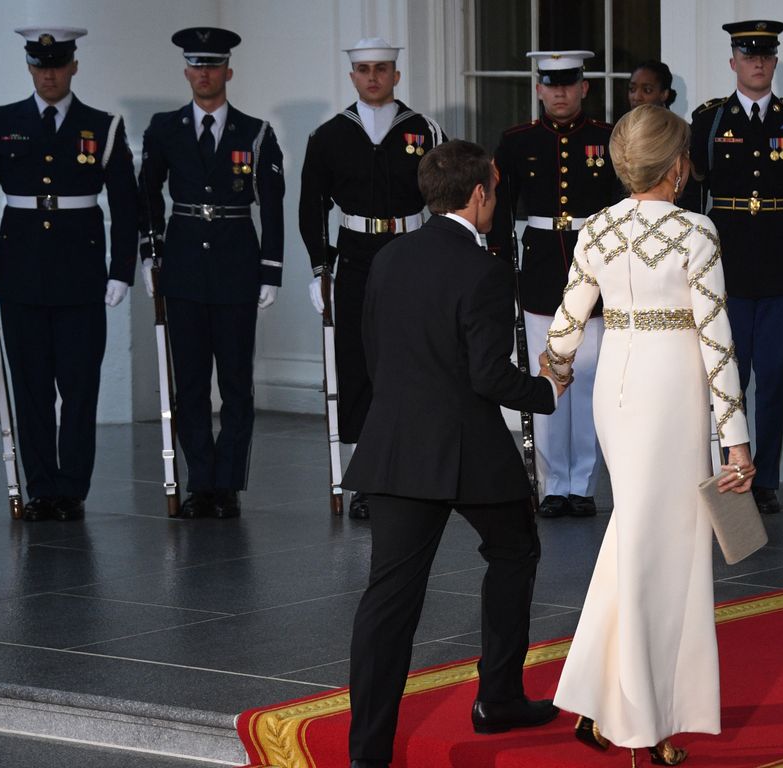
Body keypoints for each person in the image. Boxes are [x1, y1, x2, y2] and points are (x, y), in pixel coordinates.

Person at [344, 140, 566, 768]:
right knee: (515, 548)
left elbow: (371, 349)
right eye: (494, 192)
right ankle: (497, 697)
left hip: (394, 448)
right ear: (479, 195)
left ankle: (368, 755)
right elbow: (491, 376)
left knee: (388, 600)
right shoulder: (485, 268)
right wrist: (546, 389)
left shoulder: (388, 257)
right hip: (466, 451)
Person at [547, 104, 754, 765]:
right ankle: (639, 721)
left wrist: (545, 379)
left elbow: (567, 321)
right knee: (659, 551)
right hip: (672, 391)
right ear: (679, 165)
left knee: (637, 537)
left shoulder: (597, 228)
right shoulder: (697, 231)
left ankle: (603, 700)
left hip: (617, 384)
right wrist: (736, 439)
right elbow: (717, 341)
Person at [0, 27, 137, 522]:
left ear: (73, 66)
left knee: (79, 384)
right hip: (21, 271)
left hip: (81, 273)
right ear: (29, 67)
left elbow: (126, 204)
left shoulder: (102, 125)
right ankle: (42, 486)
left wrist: (121, 271)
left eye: (58, 63)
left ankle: (72, 488)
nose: (49, 73)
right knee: (30, 387)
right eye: (40, 64)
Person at [298, 36, 447, 520]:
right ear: (352, 77)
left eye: (381, 69)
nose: (373, 77)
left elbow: (445, 198)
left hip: (409, 251)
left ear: (396, 75)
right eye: (363, 70)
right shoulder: (329, 135)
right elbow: (311, 206)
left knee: (408, 361)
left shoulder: (423, 130)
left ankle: (409, 469)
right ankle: (365, 477)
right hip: (356, 256)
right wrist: (320, 266)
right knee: (358, 364)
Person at [138, 28, 284, 519]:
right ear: (186, 72)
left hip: (236, 268)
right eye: (196, 65)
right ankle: (201, 480)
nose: (204, 73)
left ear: (228, 71)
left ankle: (228, 484)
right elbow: (147, 195)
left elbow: (274, 207)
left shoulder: (256, 131)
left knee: (238, 383)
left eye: (213, 65)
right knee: (192, 383)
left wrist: (271, 271)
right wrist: (149, 253)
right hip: (182, 267)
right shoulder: (164, 128)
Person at [689, 20, 783, 515]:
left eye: (766, 55)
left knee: (774, 377)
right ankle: (733, 470)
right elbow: (690, 197)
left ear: (774, 62)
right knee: (729, 376)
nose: (758, 63)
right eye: (749, 56)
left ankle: (764, 477)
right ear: (733, 63)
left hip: (780, 268)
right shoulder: (708, 119)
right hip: (723, 266)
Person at [488, 50, 620, 519]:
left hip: (596, 271)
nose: (560, 92)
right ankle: (552, 486)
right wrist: (503, 269)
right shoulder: (516, 141)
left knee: (585, 384)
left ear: (584, 87)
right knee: (546, 379)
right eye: (551, 83)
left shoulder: (607, 138)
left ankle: (582, 484)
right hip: (541, 271)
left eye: (569, 83)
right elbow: (500, 210)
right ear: (539, 88)